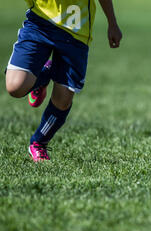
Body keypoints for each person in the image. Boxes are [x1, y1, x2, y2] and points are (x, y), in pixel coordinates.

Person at [5, 0, 122, 162]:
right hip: (40, 23)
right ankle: (45, 74)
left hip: (76, 32)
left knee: (63, 100)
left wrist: (112, 23)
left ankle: (39, 142)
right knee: (15, 86)